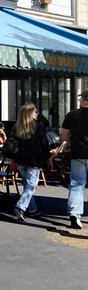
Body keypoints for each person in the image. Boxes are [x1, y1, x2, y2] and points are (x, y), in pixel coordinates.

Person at [10, 103, 51, 222]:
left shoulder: (16, 127)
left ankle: (32, 209)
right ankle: (20, 206)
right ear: (29, 114)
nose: (38, 113)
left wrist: (13, 160)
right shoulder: (38, 127)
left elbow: (12, 145)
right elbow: (44, 145)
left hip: (20, 161)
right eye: (36, 112)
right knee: (31, 186)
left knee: (27, 185)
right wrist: (48, 158)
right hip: (33, 161)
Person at [61, 91, 88, 229]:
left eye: (80, 99)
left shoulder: (71, 115)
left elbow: (64, 136)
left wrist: (69, 145)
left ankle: (74, 214)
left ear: (84, 100)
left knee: (76, 185)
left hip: (78, 154)